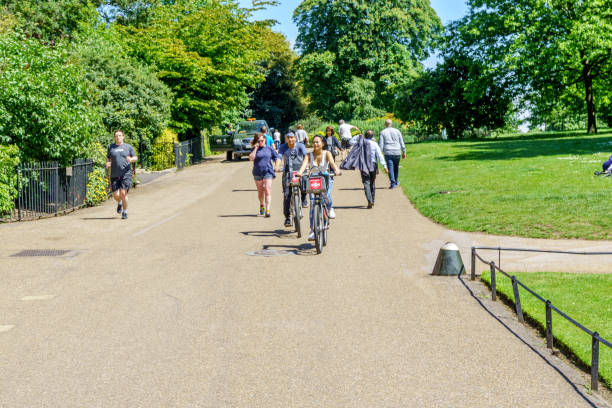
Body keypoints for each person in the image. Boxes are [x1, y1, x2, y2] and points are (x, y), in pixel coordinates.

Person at [297, 135, 342, 241]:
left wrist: (336, 170)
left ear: (323, 143)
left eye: (317, 142)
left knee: (326, 195)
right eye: (314, 142)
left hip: (325, 178)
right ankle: (312, 230)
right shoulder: (309, 155)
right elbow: (304, 165)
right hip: (313, 180)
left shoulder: (327, 153)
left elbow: (332, 163)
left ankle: (330, 208)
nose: (315, 144)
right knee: (312, 203)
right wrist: (299, 173)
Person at [278, 132, 308, 227]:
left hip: (300, 170)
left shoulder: (301, 146)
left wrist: (306, 166)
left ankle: (303, 198)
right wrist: (277, 166)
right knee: (287, 195)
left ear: (295, 138)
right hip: (287, 172)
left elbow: (305, 156)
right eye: (288, 138)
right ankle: (287, 217)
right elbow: (279, 157)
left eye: (292, 137)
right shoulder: (283, 147)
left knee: (305, 184)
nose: (290, 139)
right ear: (286, 139)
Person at [106, 130, 137, 219]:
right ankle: (119, 202)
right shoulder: (111, 147)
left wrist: (131, 159)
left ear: (123, 137)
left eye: (120, 135)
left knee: (123, 193)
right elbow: (108, 157)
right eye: (116, 136)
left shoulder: (128, 147)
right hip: (114, 174)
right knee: (116, 195)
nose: (118, 137)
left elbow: (135, 157)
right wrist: (108, 163)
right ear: (114, 137)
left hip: (126, 174)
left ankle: (125, 212)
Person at [249, 132, 281, 217]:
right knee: (260, 192)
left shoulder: (269, 149)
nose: (261, 142)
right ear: (256, 141)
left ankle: (268, 210)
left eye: (262, 140)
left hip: (268, 172)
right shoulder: (254, 149)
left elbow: (276, 158)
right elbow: (251, 158)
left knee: (267, 190)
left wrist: (277, 166)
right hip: (257, 173)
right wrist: (255, 149)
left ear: (265, 140)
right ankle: (262, 204)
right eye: (259, 141)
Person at [358, 130, 388, 208]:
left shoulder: (361, 143)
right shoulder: (374, 144)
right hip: (373, 164)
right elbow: (379, 155)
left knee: (366, 182)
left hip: (364, 165)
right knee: (372, 182)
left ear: (365, 135)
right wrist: (384, 166)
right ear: (372, 136)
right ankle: (372, 200)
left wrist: (360, 137)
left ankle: (369, 200)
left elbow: (351, 141)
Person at [379, 119, 406, 189]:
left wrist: (379, 153)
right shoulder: (397, 131)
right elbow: (401, 142)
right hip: (397, 151)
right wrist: (404, 151)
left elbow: (381, 145)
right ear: (391, 124)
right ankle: (396, 181)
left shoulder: (383, 132)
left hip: (388, 152)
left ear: (385, 124)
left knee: (390, 168)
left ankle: (393, 182)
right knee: (396, 167)